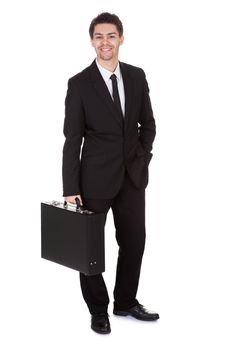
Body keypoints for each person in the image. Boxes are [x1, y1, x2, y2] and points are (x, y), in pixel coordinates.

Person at [62, 12, 159, 334]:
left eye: (111, 36)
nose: (105, 42)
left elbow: (149, 124)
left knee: (134, 241)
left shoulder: (136, 76)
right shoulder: (78, 84)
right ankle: (98, 309)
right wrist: (69, 186)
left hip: (132, 177)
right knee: (88, 249)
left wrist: (142, 158)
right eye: (99, 36)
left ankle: (126, 301)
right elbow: (72, 139)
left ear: (121, 38)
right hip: (93, 180)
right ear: (92, 41)